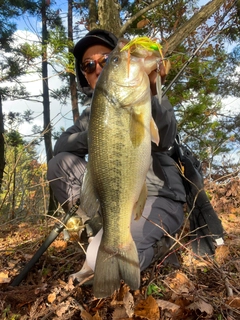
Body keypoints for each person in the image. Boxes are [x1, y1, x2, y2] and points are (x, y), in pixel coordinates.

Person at [47, 29, 186, 280]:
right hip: (115, 198)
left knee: (97, 263)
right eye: (88, 65)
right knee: (59, 163)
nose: (97, 68)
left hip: (160, 195)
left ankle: (160, 245)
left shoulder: (145, 94)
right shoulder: (90, 117)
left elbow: (165, 136)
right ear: (85, 76)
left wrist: (154, 92)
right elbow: (60, 147)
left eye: (108, 59)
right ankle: (101, 229)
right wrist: (97, 134)